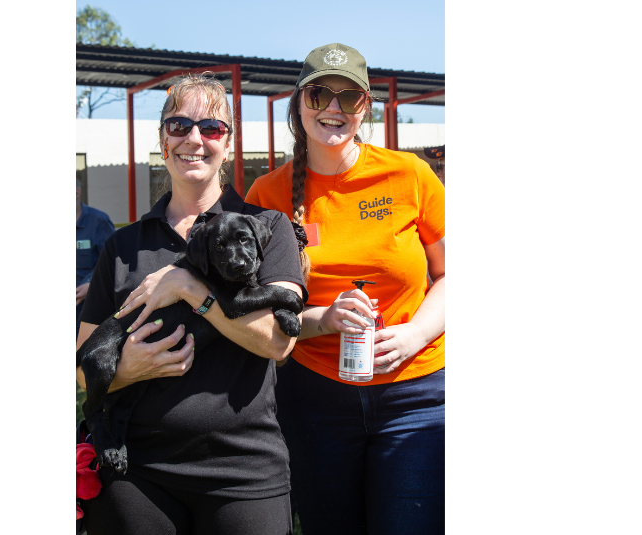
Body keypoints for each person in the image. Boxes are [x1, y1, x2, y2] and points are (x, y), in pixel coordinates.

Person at [75, 73, 307, 535]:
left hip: (243, 469)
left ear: (228, 142)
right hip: (136, 471)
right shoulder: (123, 246)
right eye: (179, 125)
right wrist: (128, 369)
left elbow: (278, 343)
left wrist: (189, 288)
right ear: (163, 140)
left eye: (211, 128)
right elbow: (82, 366)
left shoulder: (266, 227)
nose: (194, 139)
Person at [244, 43, 446, 535]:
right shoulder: (266, 195)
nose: (332, 108)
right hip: (314, 397)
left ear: (365, 107)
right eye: (319, 94)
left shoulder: (411, 175)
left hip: (415, 395)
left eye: (347, 97)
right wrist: (324, 319)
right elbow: (253, 309)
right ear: (298, 103)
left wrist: (416, 333)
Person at [76, 178, 115, 340]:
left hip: (88, 311)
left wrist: (91, 284)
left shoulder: (99, 222)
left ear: (77, 192)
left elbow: (113, 262)